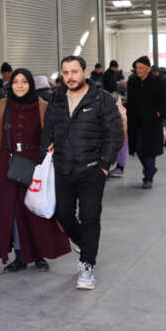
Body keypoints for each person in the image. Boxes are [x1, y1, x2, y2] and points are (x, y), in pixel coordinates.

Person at [40, 55, 123, 291]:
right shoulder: (56, 99)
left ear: (85, 72)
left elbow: (115, 134)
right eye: (65, 72)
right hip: (63, 169)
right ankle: (84, 243)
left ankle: (87, 265)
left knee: (90, 217)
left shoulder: (101, 99)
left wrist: (104, 165)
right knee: (63, 214)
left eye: (74, 71)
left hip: (91, 170)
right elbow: (48, 130)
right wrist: (46, 149)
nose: (70, 77)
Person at [0, 68, 70, 272]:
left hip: (35, 165)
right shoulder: (1, 106)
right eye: (16, 82)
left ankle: (39, 254)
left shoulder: (42, 106)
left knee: (36, 210)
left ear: (31, 84)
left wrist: (49, 155)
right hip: (6, 166)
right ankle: (19, 256)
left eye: (24, 81)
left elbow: (52, 134)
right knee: (12, 213)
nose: (20, 85)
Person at [125, 56, 165, 189]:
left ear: (149, 69)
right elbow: (130, 101)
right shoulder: (132, 81)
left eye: (141, 68)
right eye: (137, 68)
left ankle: (148, 177)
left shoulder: (158, 81)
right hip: (136, 122)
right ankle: (151, 169)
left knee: (149, 150)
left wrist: (159, 112)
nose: (138, 70)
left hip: (151, 122)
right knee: (138, 148)